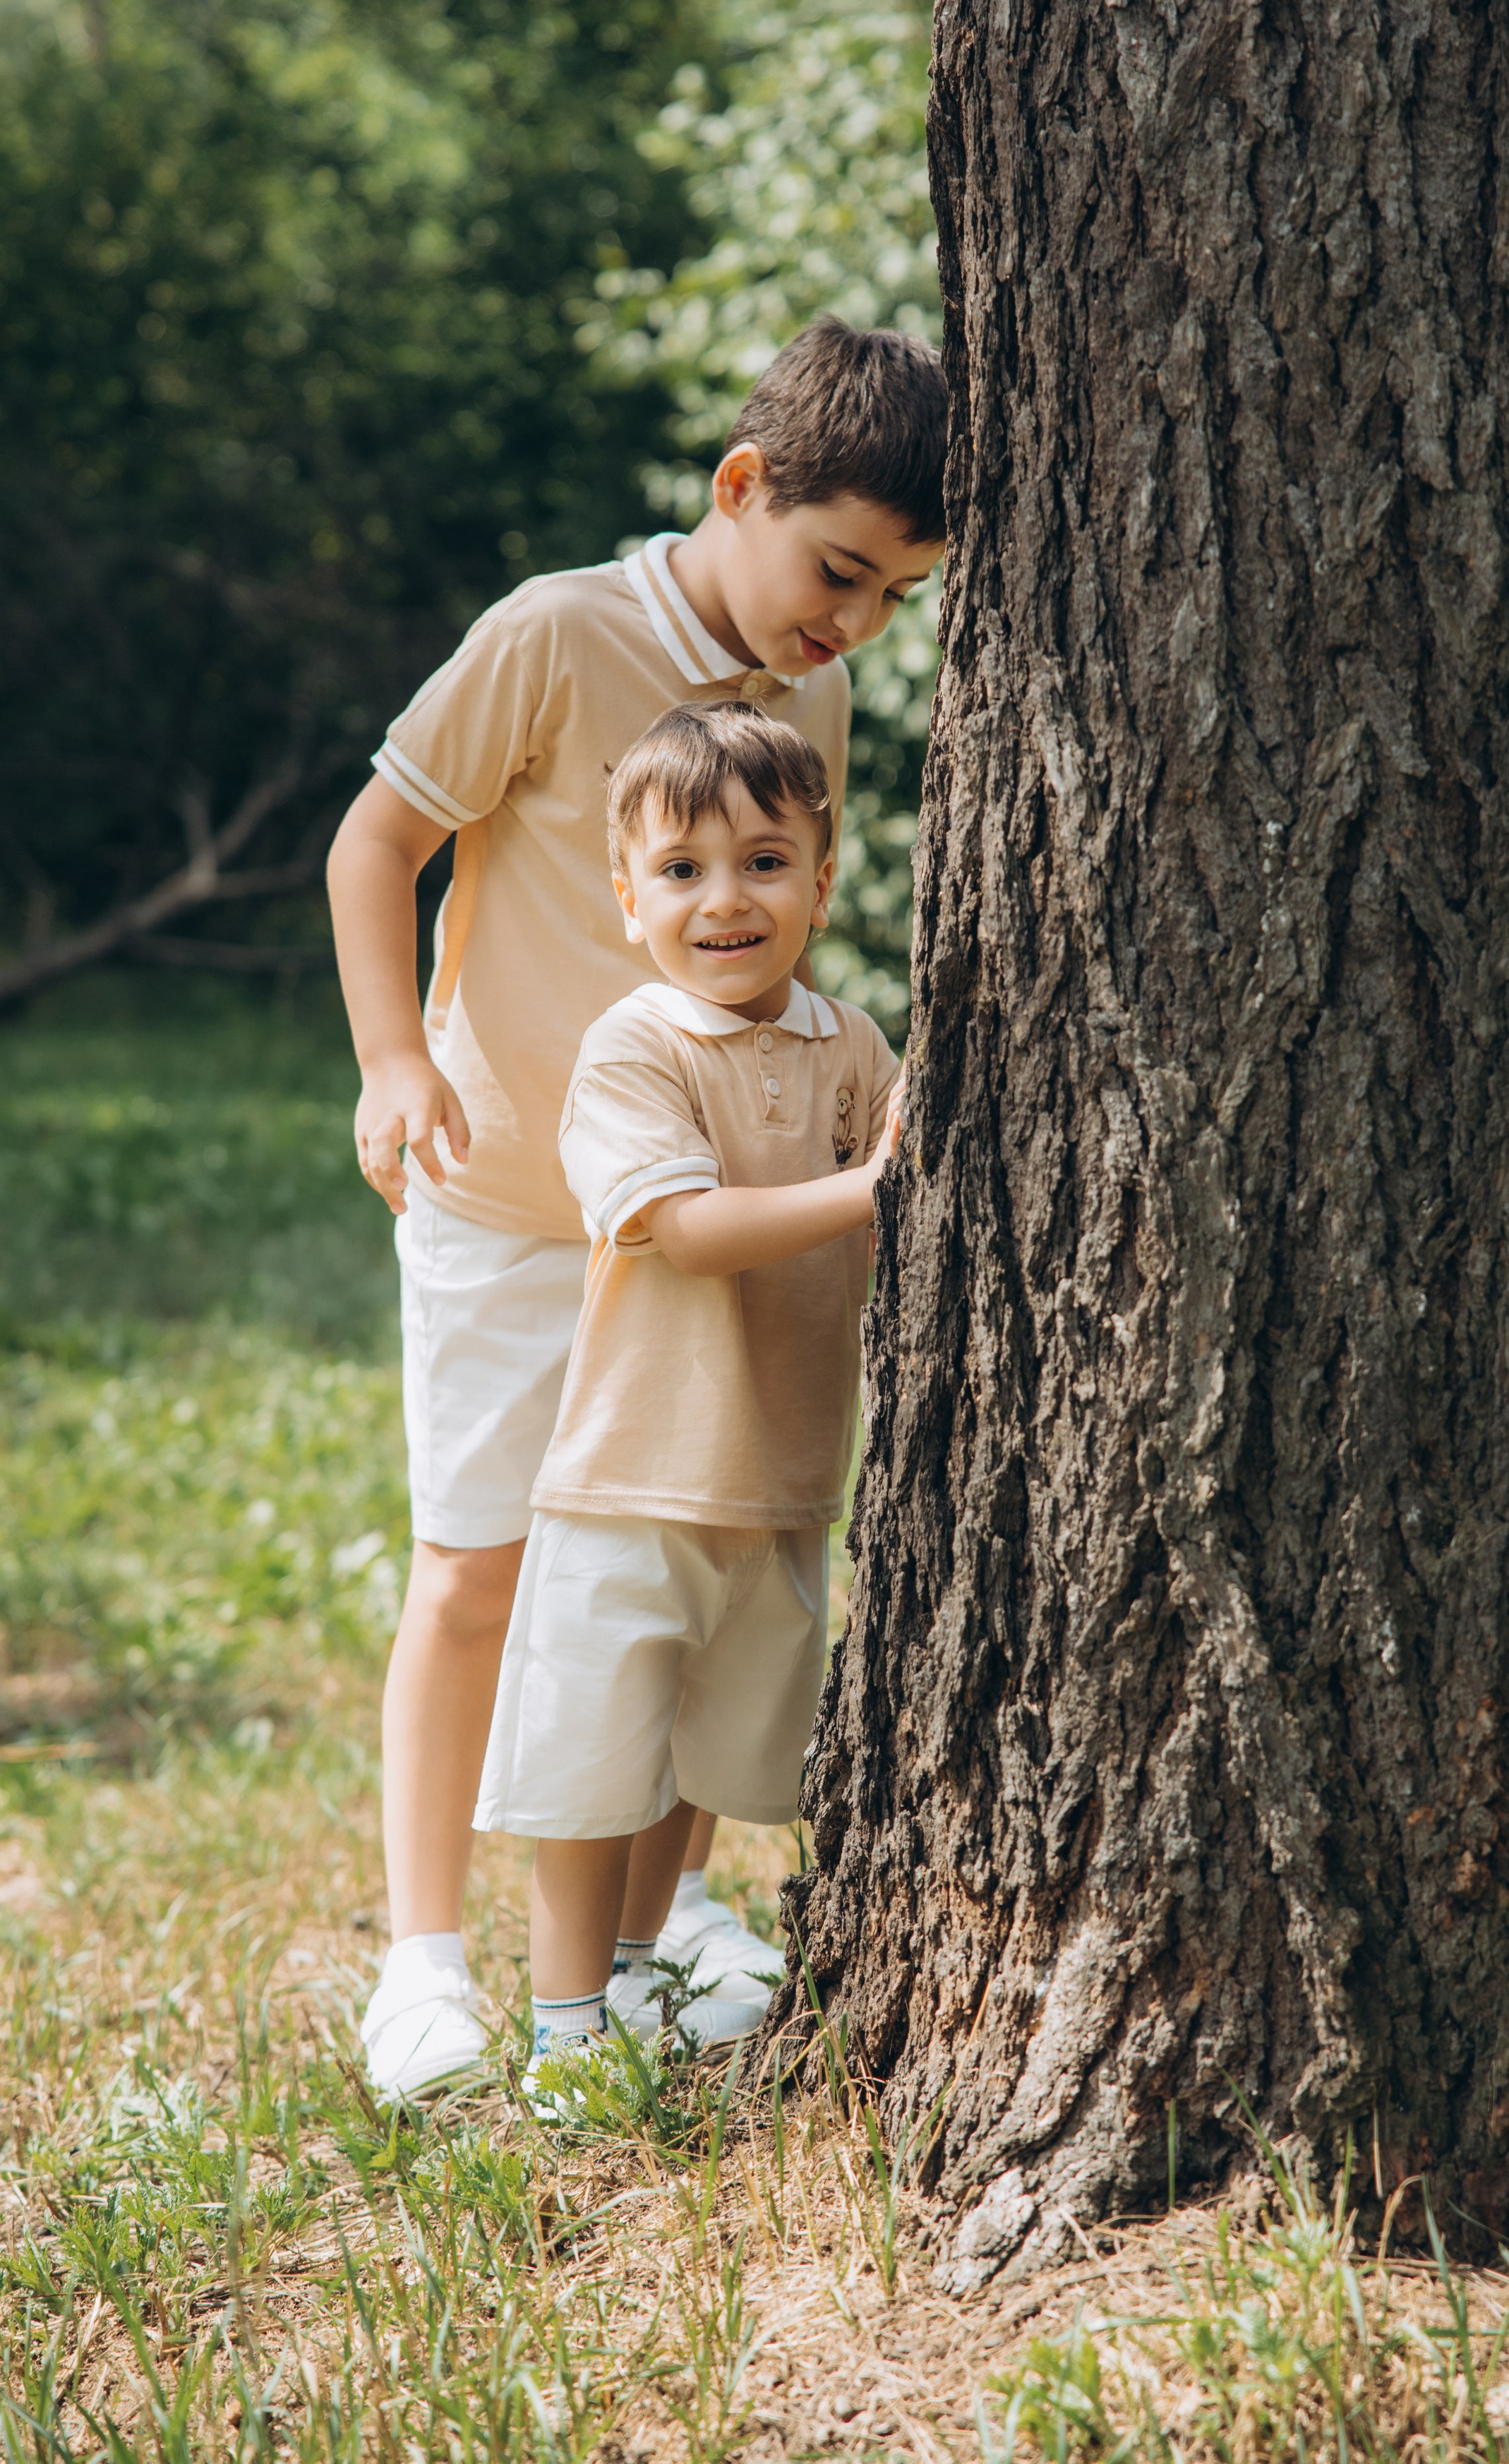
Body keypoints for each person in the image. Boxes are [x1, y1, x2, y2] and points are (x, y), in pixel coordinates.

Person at [325, 319, 945, 2098]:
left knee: (677, 1557)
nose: (851, 627)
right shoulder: (553, 633)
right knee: (481, 1570)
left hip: (704, 1230)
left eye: (895, 598)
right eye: (838, 570)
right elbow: (380, 841)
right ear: (741, 486)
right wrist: (390, 1063)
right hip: (511, 1202)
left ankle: (660, 1933)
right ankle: (426, 1963)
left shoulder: (805, 692)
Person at [470, 702, 901, 2089]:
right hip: (631, 1478)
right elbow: (688, 1228)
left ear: (822, 883)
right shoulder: (635, 1049)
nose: (725, 900)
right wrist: (875, 1181)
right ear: (626, 900)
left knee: (708, 1764)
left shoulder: (851, 1050)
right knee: (596, 1765)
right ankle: (562, 2027)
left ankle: (643, 1970)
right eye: (681, 871)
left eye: (764, 862)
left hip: (782, 1478)